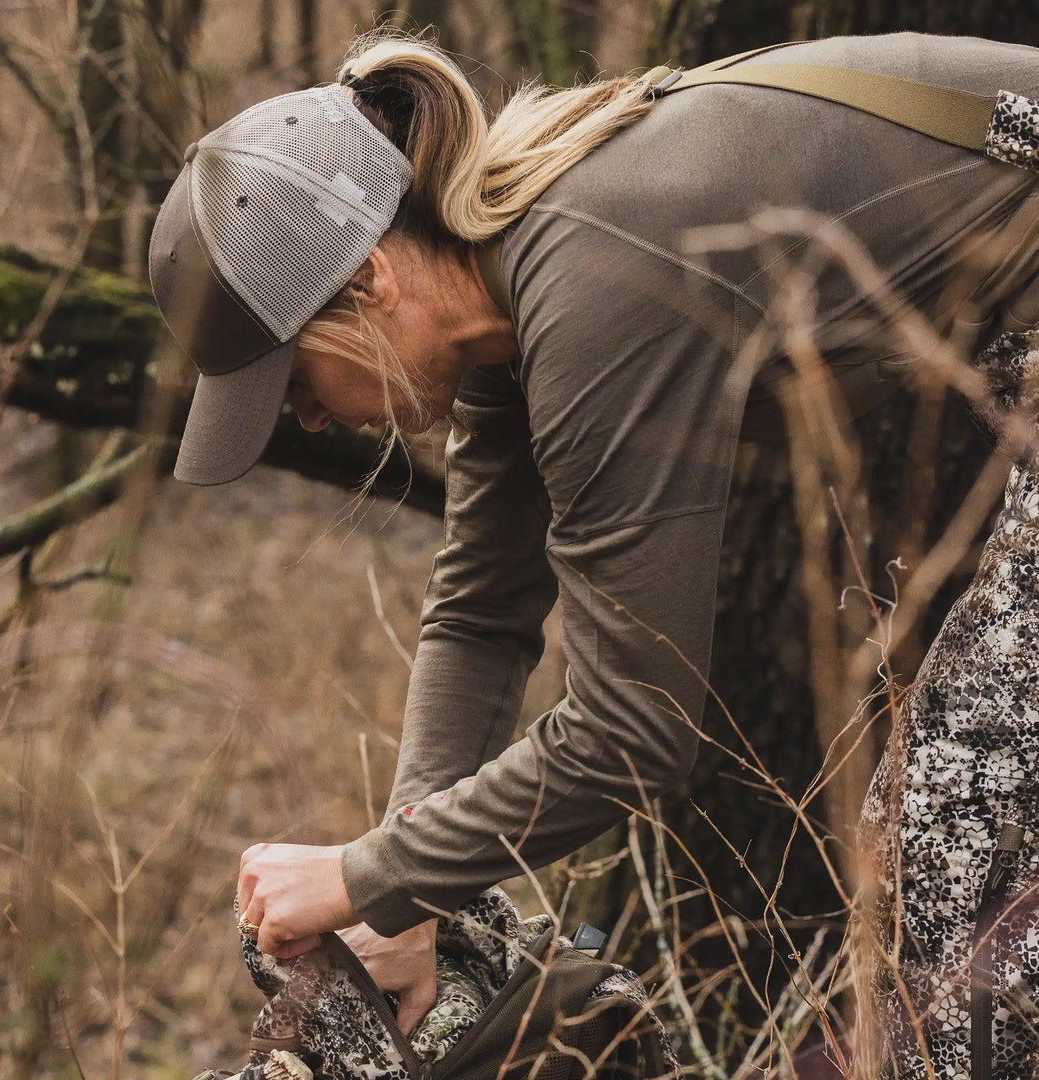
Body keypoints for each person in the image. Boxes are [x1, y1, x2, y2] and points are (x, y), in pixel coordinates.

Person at [149, 29, 1039, 1074]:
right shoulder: (511, 305)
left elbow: (635, 727)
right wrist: (403, 904)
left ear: (373, 280)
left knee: (954, 817)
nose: (309, 417)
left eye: (294, 381)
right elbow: (481, 613)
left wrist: (366, 873)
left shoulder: (595, 282)